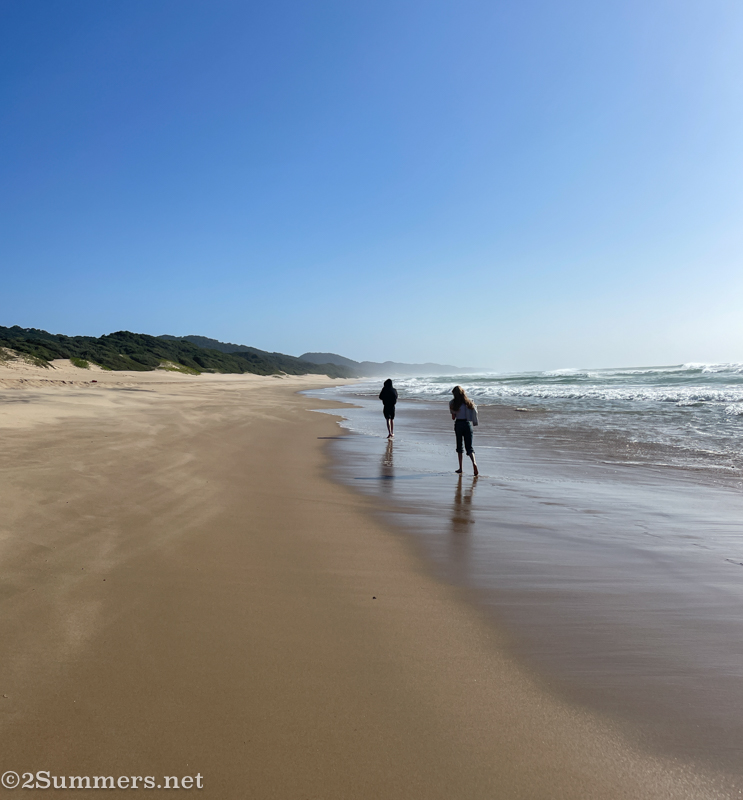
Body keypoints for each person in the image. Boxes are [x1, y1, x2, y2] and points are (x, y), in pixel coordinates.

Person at [449, 385, 479, 476]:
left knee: (459, 446)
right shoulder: (469, 402)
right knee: (469, 447)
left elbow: (453, 417)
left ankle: (461, 468)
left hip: (459, 424)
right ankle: (474, 463)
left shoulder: (453, 403)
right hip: (467, 424)